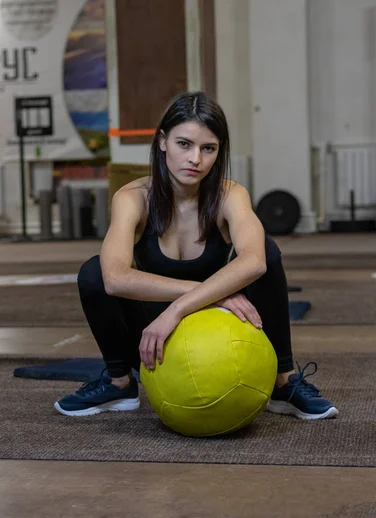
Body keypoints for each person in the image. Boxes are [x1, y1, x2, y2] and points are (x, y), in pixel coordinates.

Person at [54, 91, 338, 421]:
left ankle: (283, 383)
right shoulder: (132, 198)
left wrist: (180, 308)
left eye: (208, 148)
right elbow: (114, 278)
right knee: (93, 272)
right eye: (184, 144)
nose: (196, 159)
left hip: (222, 327)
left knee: (269, 251)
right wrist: (214, 296)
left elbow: (256, 260)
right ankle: (119, 384)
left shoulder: (229, 194)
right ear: (162, 142)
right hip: (152, 334)